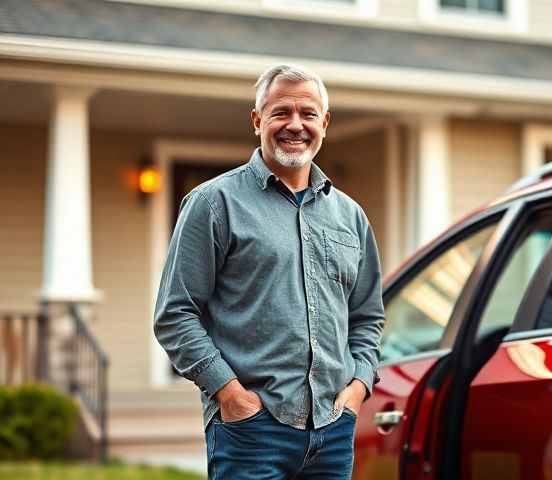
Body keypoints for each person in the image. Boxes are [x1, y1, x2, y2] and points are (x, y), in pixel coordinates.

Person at [153, 64, 384, 479]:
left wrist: (358, 387)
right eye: (281, 112)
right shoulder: (213, 204)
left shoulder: (351, 216)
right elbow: (175, 315)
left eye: (308, 114)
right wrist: (230, 394)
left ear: (324, 124)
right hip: (251, 432)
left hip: (333, 430)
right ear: (257, 120)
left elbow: (367, 316)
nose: (295, 125)